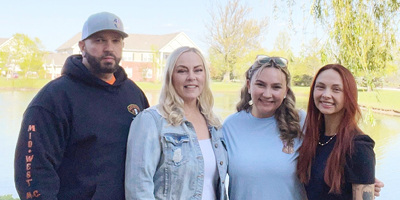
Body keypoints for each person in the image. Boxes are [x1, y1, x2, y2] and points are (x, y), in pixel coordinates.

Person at [14, 12, 149, 199]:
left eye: (116, 41)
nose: (109, 48)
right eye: (100, 40)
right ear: (82, 47)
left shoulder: (134, 94)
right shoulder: (54, 98)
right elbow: (34, 172)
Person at [125, 46, 228, 200]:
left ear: (205, 76)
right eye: (182, 71)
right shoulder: (152, 121)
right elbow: (139, 188)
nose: (191, 77)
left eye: (198, 70)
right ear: (170, 77)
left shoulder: (214, 124)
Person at [222, 56, 307, 199]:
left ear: (286, 90)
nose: (267, 94)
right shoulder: (230, 126)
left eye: (276, 87)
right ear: (249, 86)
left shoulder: (301, 122)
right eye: (260, 85)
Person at [297, 64, 375, 199]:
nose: (326, 95)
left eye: (336, 89)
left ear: (348, 95)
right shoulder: (313, 138)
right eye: (320, 87)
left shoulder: (358, 146)